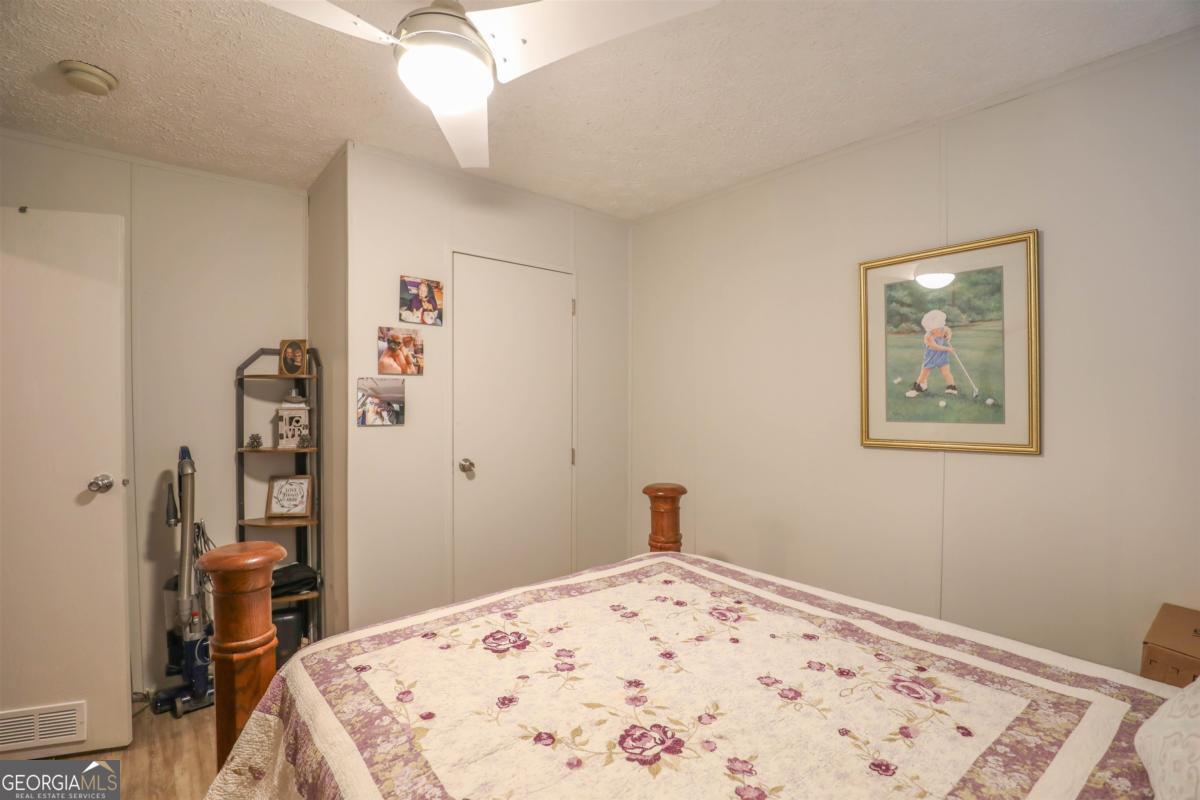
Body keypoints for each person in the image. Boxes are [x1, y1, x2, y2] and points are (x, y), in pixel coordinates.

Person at [907, 309, 958, 397]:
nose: (936, 330)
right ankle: (918, 386)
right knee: (924, 373)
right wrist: (947, 348)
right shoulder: (928, 336)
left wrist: (949, 336)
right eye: (934, 329)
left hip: (942, 356)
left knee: (946, 372)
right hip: (931, 356)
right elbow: (935, 346)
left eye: (938, 327)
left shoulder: (942, 329)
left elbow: (948, 330)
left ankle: (951, 387)